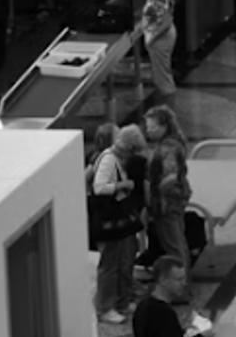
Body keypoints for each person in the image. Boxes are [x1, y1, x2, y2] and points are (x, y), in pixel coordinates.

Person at [94, 125, 147, 324]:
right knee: (110, 264)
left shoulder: (115, 158)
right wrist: (123, 185)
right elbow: (99, 188)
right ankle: (105, 307)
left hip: (119, 220)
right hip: (110, 221)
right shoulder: (108, 159)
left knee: (124, 260)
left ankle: (121, 302)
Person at [141, 105, 192, 268]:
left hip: (167, 205)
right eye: (147, 127)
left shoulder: (168, 149)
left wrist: (155, 201)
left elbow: (169, 179)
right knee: (179, 243)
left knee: (174, 247)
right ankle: (183, 282)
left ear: (164, 126)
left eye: (152, 127)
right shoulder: (174, 143)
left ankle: (180, 284)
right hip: (174, 201)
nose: (148, 131)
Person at [138, 0, 178, 101]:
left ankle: (168, 114)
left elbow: (162, 22)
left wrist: (151, 39)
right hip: (164, 37)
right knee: (162, 75)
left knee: (163, 80)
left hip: (160, 40)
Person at [128, 255, 193, 337]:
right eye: (179, 279)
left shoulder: (142, 306)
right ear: (163, 280)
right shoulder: (164, 314)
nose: (184, 283)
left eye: (184, 279)